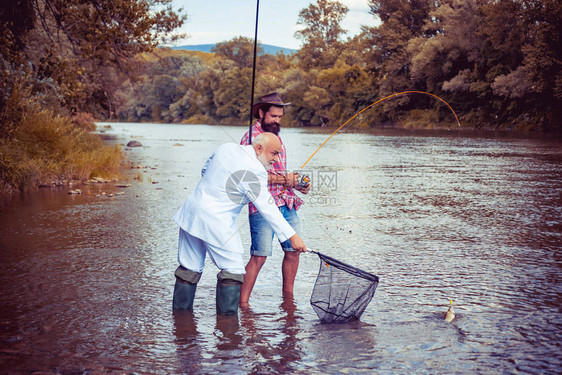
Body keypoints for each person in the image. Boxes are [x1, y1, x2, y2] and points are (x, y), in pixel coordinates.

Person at [172, 132, 307, 315]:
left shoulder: (226, 147)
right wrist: (293, 237)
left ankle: (181, 326)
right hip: (216, 221)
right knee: (233, 270)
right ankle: (228, 332)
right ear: (259, 148)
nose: (276, 159)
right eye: (274, 153)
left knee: (189, 267)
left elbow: (205, 171)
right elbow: (267, 207)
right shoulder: (255, 170)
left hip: (191, 212)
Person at [240, 92, 311, 307]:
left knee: (293, 250)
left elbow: (280, 172)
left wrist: (297, 184)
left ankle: (287, 300)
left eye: (280, 117)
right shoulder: (251, 138)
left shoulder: (276, 137)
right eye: (273, 116)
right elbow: (250, 177)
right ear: (261, 113)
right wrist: (284, 180)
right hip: (262, 205)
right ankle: (243, 304)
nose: (277, 121)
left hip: (287, 203)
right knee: (259, 256)